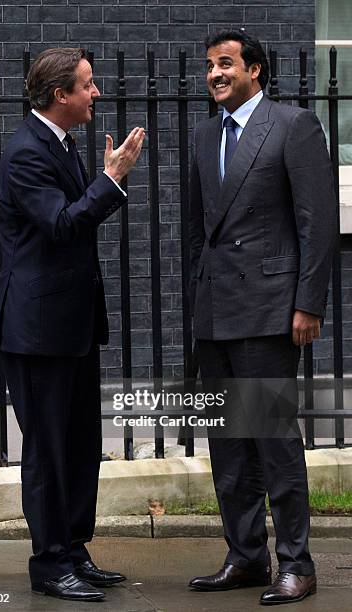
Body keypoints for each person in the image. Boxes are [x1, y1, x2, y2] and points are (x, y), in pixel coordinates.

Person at [188, 30, 336, 605]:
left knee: (273, 441)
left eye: (225, 64)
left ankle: (297, 563)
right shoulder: (204, 135)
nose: (214, 74)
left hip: (270, 311)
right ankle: (245, 557)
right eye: (209, 66)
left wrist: (308, 303)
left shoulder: (292, 125)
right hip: (217, 312)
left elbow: (317, 222)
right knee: (228, 445)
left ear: (254, 70)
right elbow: (199, 231)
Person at [0, 47, 145, 602]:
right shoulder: (25, 152)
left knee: (81, 445)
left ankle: (75, 550)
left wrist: (103, 181)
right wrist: (110, 180)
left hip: (71, 326)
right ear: (61, 95)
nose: (96, 93)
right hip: (36, 333)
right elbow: (60, 225)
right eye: (87, 84)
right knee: (48, 451)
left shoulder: (60, 142)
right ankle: (49, 562)